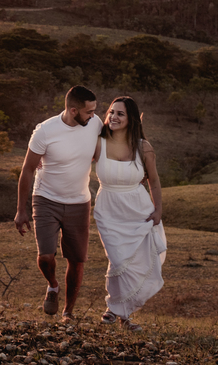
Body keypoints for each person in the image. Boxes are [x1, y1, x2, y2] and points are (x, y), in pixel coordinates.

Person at [14, 85, 102, 321]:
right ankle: (53, 285)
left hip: (79, 203)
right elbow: (27, 169)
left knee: (77, 260)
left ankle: (68, 312)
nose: (93, 116)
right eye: (89, 112)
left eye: (94, 111)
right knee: (45, 256)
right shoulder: (45, 131)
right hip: (46, 200)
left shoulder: (95, 124)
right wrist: (21, 210)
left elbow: (98, 153)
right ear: (73, 110)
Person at [92, 96, 166, 332]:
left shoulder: (143, 147)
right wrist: (44, 161)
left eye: (120, 114)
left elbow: (153, 181)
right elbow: (73, 157)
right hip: (108, 208)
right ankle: (114, 309)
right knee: (118, 259)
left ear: (131, 119)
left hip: (138, 209)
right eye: (112, 112)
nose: (113, 116)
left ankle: (119, 314)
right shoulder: (98, 142)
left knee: (135, 262)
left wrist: (158, 210)